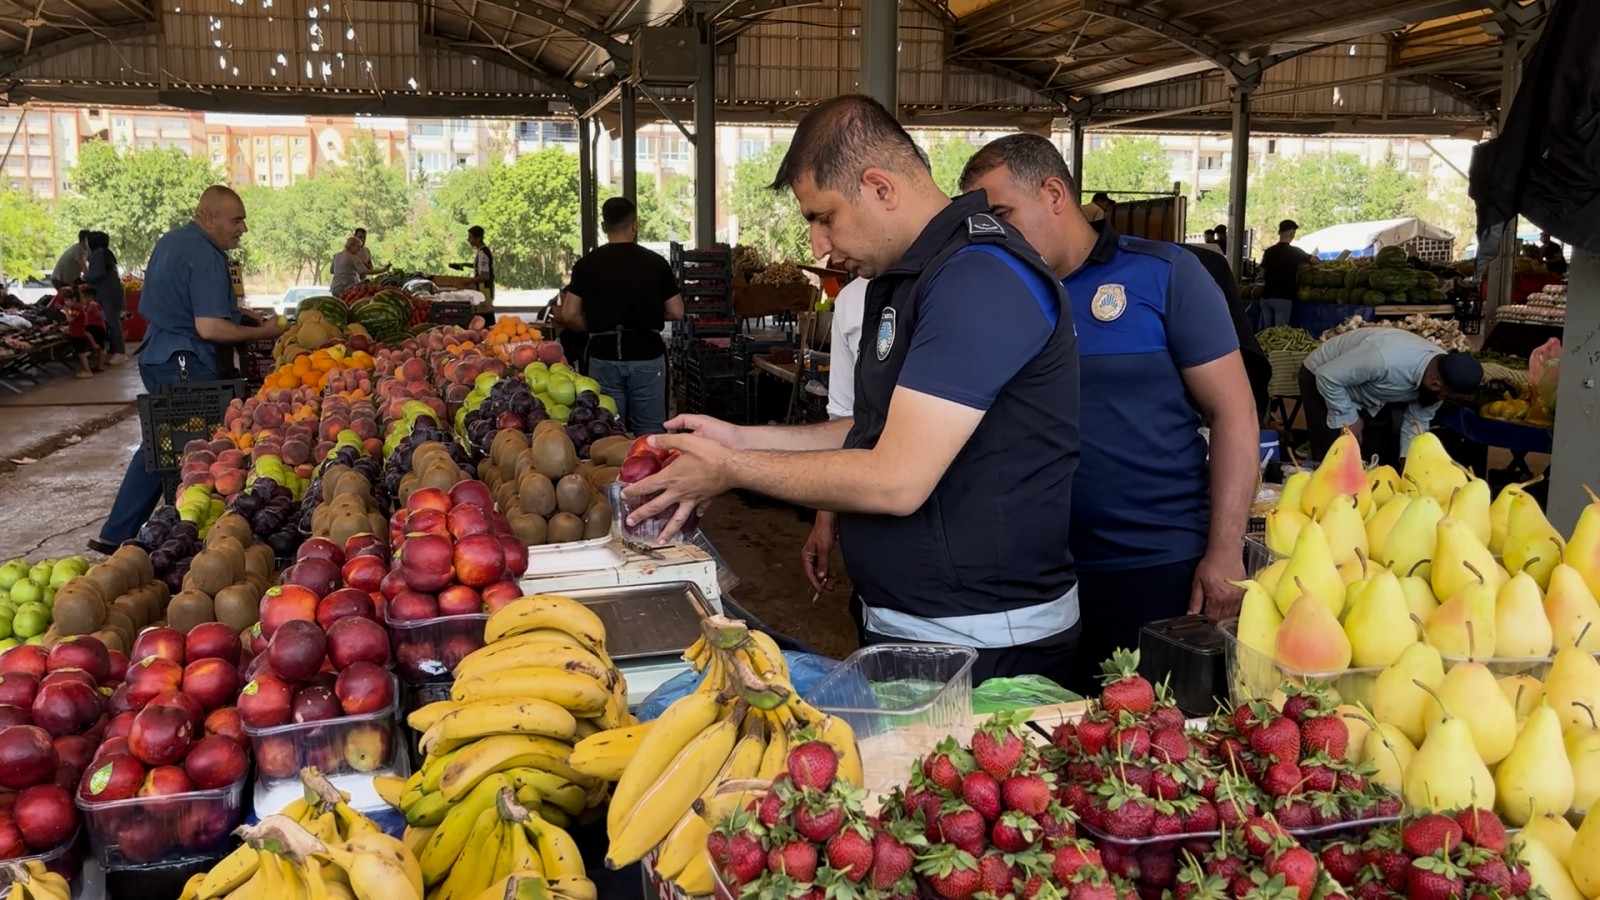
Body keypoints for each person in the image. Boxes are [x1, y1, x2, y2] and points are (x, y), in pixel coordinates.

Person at [622, 94, 1083, 685]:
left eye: (823, 216)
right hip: (915, 625)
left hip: (985, 640)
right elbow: (869, 429)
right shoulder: (908, 279)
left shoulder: (980, 278)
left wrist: (732, 468)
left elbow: (896, 478)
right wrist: (739, 436)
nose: (817, 245)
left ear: (880, 187)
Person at [959, 134, 1258, 692]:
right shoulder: (998, 297)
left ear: (1053, 193)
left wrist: (1224, 551)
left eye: (1002, 214)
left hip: (1155, 567)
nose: (995, 235)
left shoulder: (1162, 275)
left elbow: (1235, 414)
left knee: (1155, 749)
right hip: (1034, 583)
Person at [92, 186, 286, 554]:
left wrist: (238, 315)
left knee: (164, 443)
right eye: (237, 220)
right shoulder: (206, 255)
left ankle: (121, 532)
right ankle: (164, 533)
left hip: (161, 352)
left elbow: (184, 301)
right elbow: (209, 328)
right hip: (184, 358)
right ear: (208, 217)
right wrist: (264, 331)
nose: (243, 228)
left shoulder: (175, 241)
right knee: (187, 448)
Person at [562, 198, 684, 435]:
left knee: (607, 430)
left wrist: (595, 325)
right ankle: (649, 471)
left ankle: (612, 472)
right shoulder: (655, 263)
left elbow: (569, 314)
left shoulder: (587, 264)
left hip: (603, 355)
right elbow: (676, 310)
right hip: (647, 354)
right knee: (649, 433)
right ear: (634, 226)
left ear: (603, 226)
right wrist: (646, 315)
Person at [1300, 328, 1483, 467]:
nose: (1444, 399)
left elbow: (1417, 420)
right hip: (1323, 377)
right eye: (1448, 396)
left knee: (1375, 454)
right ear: (1436, 384)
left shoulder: (1439, 377)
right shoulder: (1384, 360)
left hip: (1369, 393)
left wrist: (1409, 462)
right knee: (1336, 453)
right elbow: (1327, 376)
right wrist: (1349, 417)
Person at [799, 273, 868, 618]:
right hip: (872, 539)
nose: (821, 247)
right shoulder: (851, 300)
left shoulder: (956, 287)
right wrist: (825, 519)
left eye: (828, 221)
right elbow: (842, 419)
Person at [1259, 219, 1312, 328]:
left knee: (1265, 333)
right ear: (1292, 234)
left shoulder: (1269, 251)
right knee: (1280, 334)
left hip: (1266, 297)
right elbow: (1315, 260)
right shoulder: (1294, 252)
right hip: (1283, 298)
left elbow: (1262, 274)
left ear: (1279, 232)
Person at [83, 231, 126, 363]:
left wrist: (84, 276)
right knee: (112, 321)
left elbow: (95, 274)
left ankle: (120, 352)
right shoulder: (106, 253)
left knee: (112, 322)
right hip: (112, 291)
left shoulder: (98, 253)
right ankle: (114, 350)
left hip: (108, 292)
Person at [62, 288, 104, 378]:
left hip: (77, 334)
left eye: (67, 300)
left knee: (82, 354)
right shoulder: (78, 309)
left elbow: (70, 320)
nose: (66, 303)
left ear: (73, 300)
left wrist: (65, 312)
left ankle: (87, 370)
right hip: (78, 333)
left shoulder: (76, 310)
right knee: (81, 353)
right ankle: (87, 369)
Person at [463, 225, 496, 326]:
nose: (468, 240)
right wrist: (464, 264)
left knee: (485, 318)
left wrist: (468, 281)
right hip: (483, 290)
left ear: (478, 238)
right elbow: (480, 268)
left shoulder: (482, 253)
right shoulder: (481, 252)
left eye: (471, 237)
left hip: (484, 290)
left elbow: (485, 276)